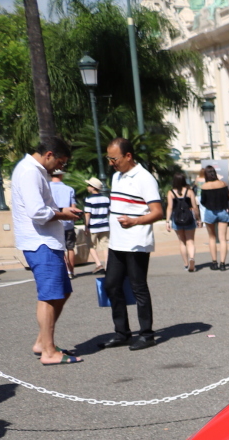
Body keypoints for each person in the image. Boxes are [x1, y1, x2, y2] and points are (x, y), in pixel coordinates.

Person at [11, 137, 83, 365]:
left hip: (46, 241)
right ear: (49, 154)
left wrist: (62, 210)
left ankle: (43, 342)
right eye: (61, 162)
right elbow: (37, 212)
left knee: (60, 292)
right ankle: (48, 351)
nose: (61, 167)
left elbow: (42, 208)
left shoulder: (35, 171)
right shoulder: (30, 172)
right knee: (50, 296)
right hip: (39, 241)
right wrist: (63, 214)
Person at [101, 137, 164, 351]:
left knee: (138, 287)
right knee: (111, 285)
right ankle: (122, 333)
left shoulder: (145, 178)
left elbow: (157, 212)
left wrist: (134, 221)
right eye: (109, 158)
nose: (111, 163)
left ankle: (147, 334)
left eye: (114, 158)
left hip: (136, 242)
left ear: (128, 156)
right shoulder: (117, 176)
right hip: (117, 242)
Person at [199, 165, 229, 270]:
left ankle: (214, 262)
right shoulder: (223, 184)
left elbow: (203, 201)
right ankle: (223, 264)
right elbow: (227, 198)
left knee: (212, 238)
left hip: (210, 212)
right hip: (222, 211)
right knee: (223, 239)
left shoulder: (204, 186)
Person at [166, 172, 199, 272]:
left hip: (177, 219)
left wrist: (167, 221)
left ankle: (185, 264)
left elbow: (170, 207)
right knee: (190, 241)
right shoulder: (189, 192)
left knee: (182, 242)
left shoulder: (171, 192)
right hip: (189, 218)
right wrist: (198, 218)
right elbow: (194, 206)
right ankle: (192, 258)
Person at [49, 170, 77, 276]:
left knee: (59, 247)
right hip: (68, 222)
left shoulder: (47, 188)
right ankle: (71, 271)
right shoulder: (69, 189)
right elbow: (73, 207)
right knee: (70, 247)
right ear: (61, 175)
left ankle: (65, 271)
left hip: (54, 221)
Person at [82, 176, 109, 274]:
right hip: (105, 225)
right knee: (105, 245)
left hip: (94, 226)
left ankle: (98, 264)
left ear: (93, 187)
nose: (87, 187)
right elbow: (108, 212)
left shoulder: (89, 199)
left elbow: (87, 214)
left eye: (89, 185)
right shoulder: (106, 198)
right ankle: (108, 265)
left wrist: (86, 226)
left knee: (91, 245)